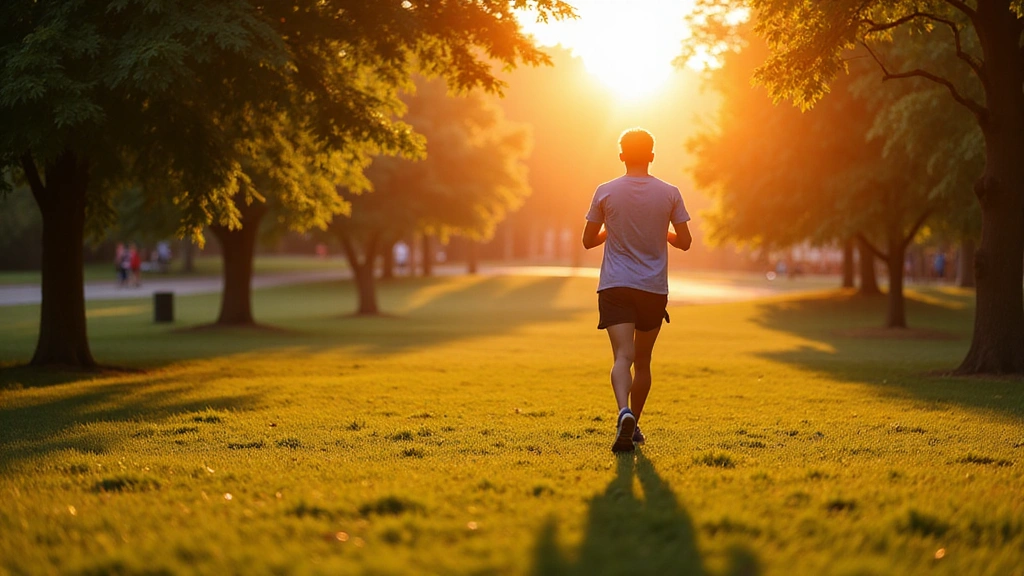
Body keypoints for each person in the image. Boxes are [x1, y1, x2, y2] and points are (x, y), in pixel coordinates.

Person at [582, 128, 692, 453]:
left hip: (616, 285)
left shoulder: (605, 192)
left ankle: (623, 412)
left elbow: (588, 240)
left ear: (621, 156)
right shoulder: (670, 193)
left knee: (622, 357)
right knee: (643, 362)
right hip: (652, 288)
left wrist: (610, 231)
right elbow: (685, 242)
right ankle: (634, 425)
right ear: (652, 156)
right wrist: (662, 233)